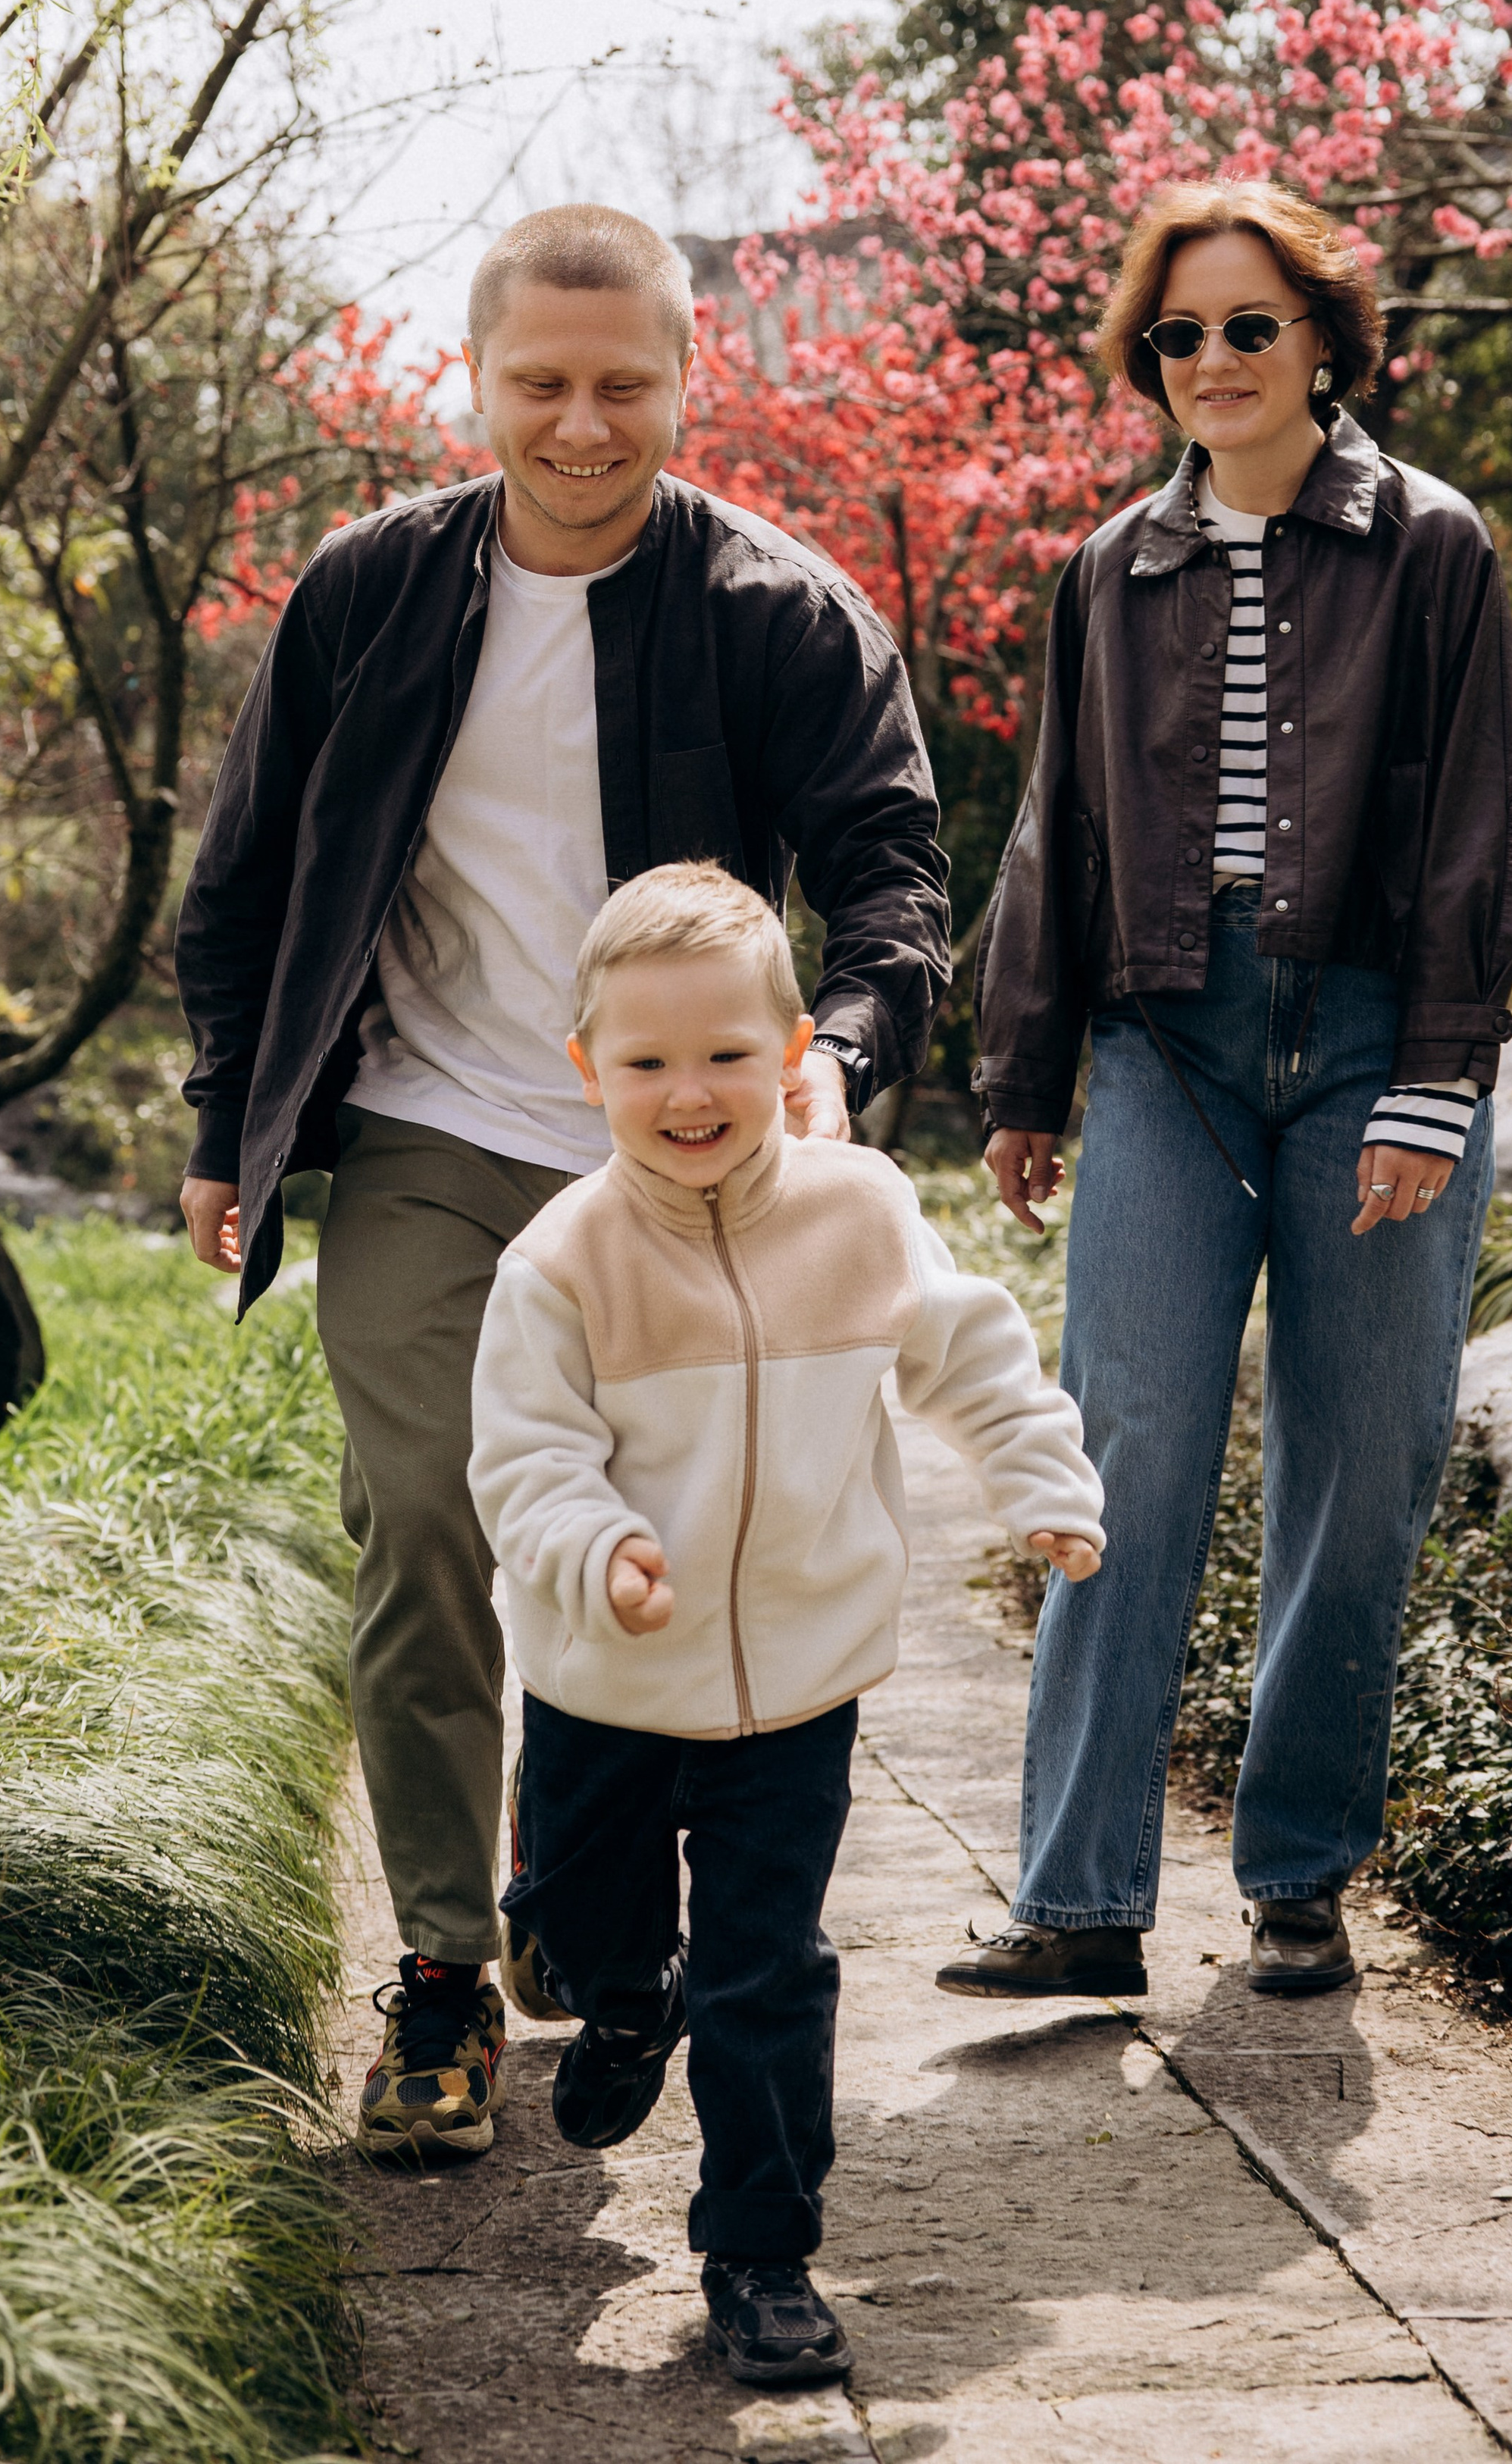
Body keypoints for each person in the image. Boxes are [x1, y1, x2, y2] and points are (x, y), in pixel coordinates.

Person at [173, 205, 950, 2160]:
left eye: (624, 384)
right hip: (431, 1136)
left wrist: (833, 1067)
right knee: (431, 1518)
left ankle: (578, 1896)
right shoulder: (369, 592)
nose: (583, 424)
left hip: (672, 1162)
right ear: (479, 378)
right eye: (542, 384)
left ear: (686, 378)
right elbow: (248, 881)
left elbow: (891, 881)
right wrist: (222, 1125)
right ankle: (438, 1983)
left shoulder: (776, 610)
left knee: (648, 1555)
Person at [937, 181, 1512, 2007]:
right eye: (1177, 332)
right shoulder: (1110, 567)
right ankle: (1080, 1898)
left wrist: (1434, 1079)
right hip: (1166, 1042)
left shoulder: (1432, 546)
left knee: (1360, 1469)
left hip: (1370, 1041)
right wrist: (1025, 1069)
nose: (1209, 359)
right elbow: (1066, 826)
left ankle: (1294, 1871)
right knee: (1118, 1450)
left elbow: (1471, 828)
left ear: (1326, 342)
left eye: (1246, 326)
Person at [467, 861, 1102, 2385]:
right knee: (585, 1921)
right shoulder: (559, 1263)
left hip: (796, 1687)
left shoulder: (858, 1210)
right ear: (588, 1071)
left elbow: (974, 1360)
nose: (689, 1092)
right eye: (646, 1062)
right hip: (607, 1680)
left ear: (794, 1057)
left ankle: (759, 2247)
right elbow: (523, 1460)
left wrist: (1041, 1478)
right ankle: (625, 2005)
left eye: (726, 1055)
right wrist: (600, 1543)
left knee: (772, 1967)